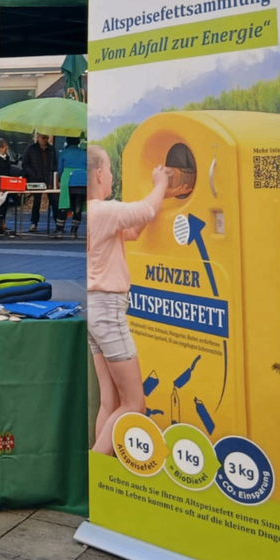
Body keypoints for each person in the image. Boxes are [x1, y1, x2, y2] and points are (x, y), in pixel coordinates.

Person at [87, 146, 169, 456]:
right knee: (134, 402)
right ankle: (95, 465)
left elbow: (132, 231)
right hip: (108, 311)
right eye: (109, 170)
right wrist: (160, 183)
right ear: (98, 174)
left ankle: (100, 480)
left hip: (94, 312)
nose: (111, 176)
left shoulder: (93, 215)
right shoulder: (104, 210)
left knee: (110, 401)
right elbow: (144, 211)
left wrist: (157, 200)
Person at [21, 131, 59, 235]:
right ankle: (34, 223)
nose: (45, 140)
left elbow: (55, 165)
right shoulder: (31, 149)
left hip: (48, 179)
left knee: (54, 201)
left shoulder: (51, 149)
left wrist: (52, 180)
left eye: (46, 138)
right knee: (36, 201)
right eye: (43, 138)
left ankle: (58, 223)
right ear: (38, 138)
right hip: (36, 179)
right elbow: (25, 164)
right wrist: (32, 174)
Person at [57, 135, 88, 239]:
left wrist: (59, 179)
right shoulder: (84, 153)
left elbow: (60, 168)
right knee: (78, 206)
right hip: (83, 180)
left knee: (64, 205)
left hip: (68, 179)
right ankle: (74, 231)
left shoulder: (64, 152)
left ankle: (60, 230)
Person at [0, 138, 22, 237]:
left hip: (7, 184)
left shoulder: (6, 158)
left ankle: (3, 224)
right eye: (5, 146)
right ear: (1, 148)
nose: (7, 148)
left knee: (5, 205)